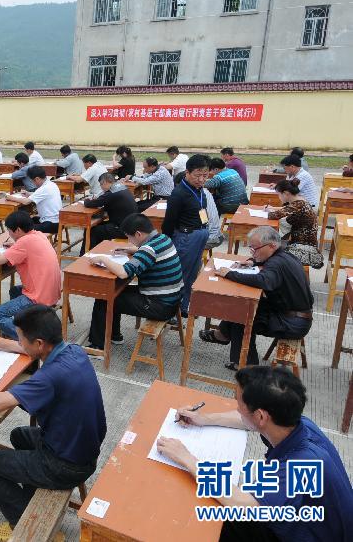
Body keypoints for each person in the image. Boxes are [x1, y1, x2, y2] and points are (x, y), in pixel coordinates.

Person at [0, 305, 105, 541]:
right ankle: (31, 494)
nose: (17, 341)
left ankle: (21, 523)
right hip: (83, 449)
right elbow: (30, 350)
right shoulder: (73, 351)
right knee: (19, 435)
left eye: (20, 338)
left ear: (39, 343)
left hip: (66, 465)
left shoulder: (48, 378)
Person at [156, 366, 353, 542]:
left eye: (239, 403)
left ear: (260, 416)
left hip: (308, 532)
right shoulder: (293, 424)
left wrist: (188, 459)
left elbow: (244, 505)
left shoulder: (303, 464)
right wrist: (203, 419)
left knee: (209, 521)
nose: (237, 408)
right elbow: (245, 420)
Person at [200, 226, 313, 369]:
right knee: (242, 307)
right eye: (251, 248)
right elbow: (267, 263)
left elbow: (263, 280)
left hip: (292, 322)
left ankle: (247, 366)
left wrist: (229, 274)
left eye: (255, 249)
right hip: (292, 313)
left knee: (243, 316)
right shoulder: (283, 251)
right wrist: (253, 262)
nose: (252, 252)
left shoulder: (276, 264)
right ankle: (223, 335)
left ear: (271, 246)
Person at [86, 214, 184, 350]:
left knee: (105, 297)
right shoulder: (163, 238)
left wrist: (103, 259)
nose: (129, 240)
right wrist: (134, 250)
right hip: (172, 300)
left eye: (129, 237)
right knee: (115, 292)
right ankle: (114, 335)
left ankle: (97, 346)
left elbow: (123, 272)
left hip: (159, 306)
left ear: (138, 234)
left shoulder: (148, 250)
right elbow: (151, 254)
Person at [0, 211, 62, 340]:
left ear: (18, 230)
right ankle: (23, 324)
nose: (9, 234)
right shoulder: (38, 235)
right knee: (15, 291)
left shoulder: (24, 242)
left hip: (38, 298)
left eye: (9, 231)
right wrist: (15, 245)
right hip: (51, 292)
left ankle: (28, 338)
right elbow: (26, 249)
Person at [162, 154, 211, 317]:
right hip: (186, 237)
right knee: (181, 274)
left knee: (192, 273)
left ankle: (184, 305)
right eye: (198, 175)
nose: (202, 179)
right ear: (187, 173)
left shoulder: (199, 189)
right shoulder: (178, 193)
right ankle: (171, 311)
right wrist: (167, 243)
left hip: (199, 234)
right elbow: (169, 222)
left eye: (205, 175)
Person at [266, 180, 323, 269]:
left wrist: (270, 211)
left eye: (279, 194)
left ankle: (275, 275)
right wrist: (274, 209)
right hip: (305, 245)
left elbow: (273, 215)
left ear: (285, 193)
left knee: (268, 248)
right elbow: (285, 210)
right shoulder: (301, 200)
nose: (279, 197)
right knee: (271, 244)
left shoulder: (298, 205)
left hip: (304, 250)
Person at [82, 172, 138, 251]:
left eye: (101, 185)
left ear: (104, 182)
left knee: (92, 230)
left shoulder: (111, 192)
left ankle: (86, 255)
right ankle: (97, 251)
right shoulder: (122, 186)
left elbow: (91, 203)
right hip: (130, 225)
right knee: (96, 226)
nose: (101, 188)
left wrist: (86, 200)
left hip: (123, 229)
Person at [12, 165, 60, 235]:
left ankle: (27, 244)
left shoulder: (43, 189)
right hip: (57, 221)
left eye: (32, 181)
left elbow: (26, 202)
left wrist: (10, 197)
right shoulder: (52, 184)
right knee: (28, 220)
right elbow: (41, 194)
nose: (33, 184)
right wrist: (29, 193)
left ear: (37, 179)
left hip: (51, 224)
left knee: (22, 228)